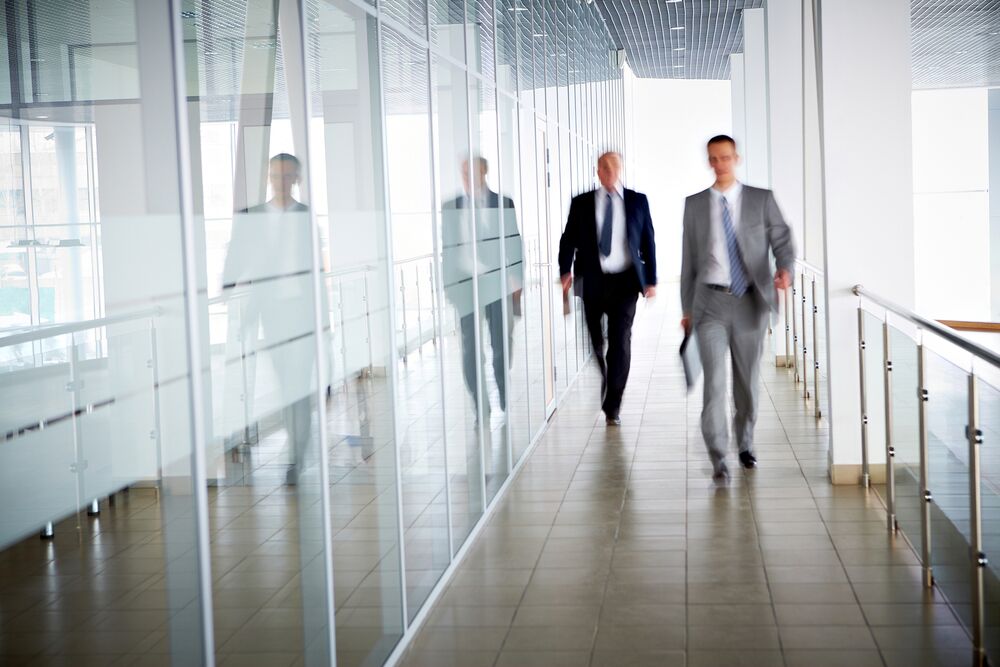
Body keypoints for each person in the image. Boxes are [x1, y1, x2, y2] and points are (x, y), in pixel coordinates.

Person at [680, 135, 795, 482]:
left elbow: (783, 239)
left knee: (746, 383)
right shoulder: (695, 204)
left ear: (737, 158)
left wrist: (784, 268)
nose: (720, 164)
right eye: (714, 159)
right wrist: (686, 309)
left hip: (750, 302)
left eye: (726, 157)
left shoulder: (761, 199)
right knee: (714, 383)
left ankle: (745, 443)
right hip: (710, 303)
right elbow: (688, 260)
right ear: (709, 161)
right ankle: (718, 455)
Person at [223, 153, 320, 485]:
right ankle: (297, 448)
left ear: (296, 179)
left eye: (287, 176)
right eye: (275, 176)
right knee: (286, 382)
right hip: (272, 312)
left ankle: (296, 454)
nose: (280, 182)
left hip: (302, 310)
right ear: (269, 178)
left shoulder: (306, 217)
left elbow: (317, 267)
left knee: (299, 383)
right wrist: (223, 292)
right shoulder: (253, 216)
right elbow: (236, 255)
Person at [558, 151, 657, 426]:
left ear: (620, 169)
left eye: (613, 165)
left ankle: (613, 403)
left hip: (625, 282)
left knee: (620, 341)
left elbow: (648, 240)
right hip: (592, 281)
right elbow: (568, 239)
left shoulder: (638, 201)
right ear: (597, 171)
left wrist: (651, 279)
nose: (609, 170)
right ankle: (603, 371)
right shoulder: (581, 203)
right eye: (603, 166)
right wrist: (565, 270)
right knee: (596, 341)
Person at [441, 156, 524, 424]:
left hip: (497, 284)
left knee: (500, 344)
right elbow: (447, 249)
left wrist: (517, 280)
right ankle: (481, 405)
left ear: (484, 172)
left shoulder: (503, 203)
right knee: (470, 349)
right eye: (463, 172)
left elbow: (514, 243)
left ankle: (502, 392)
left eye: (472, 172)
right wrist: (448, 286)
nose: (467, 177)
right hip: (466, 286)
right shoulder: (450, 207)